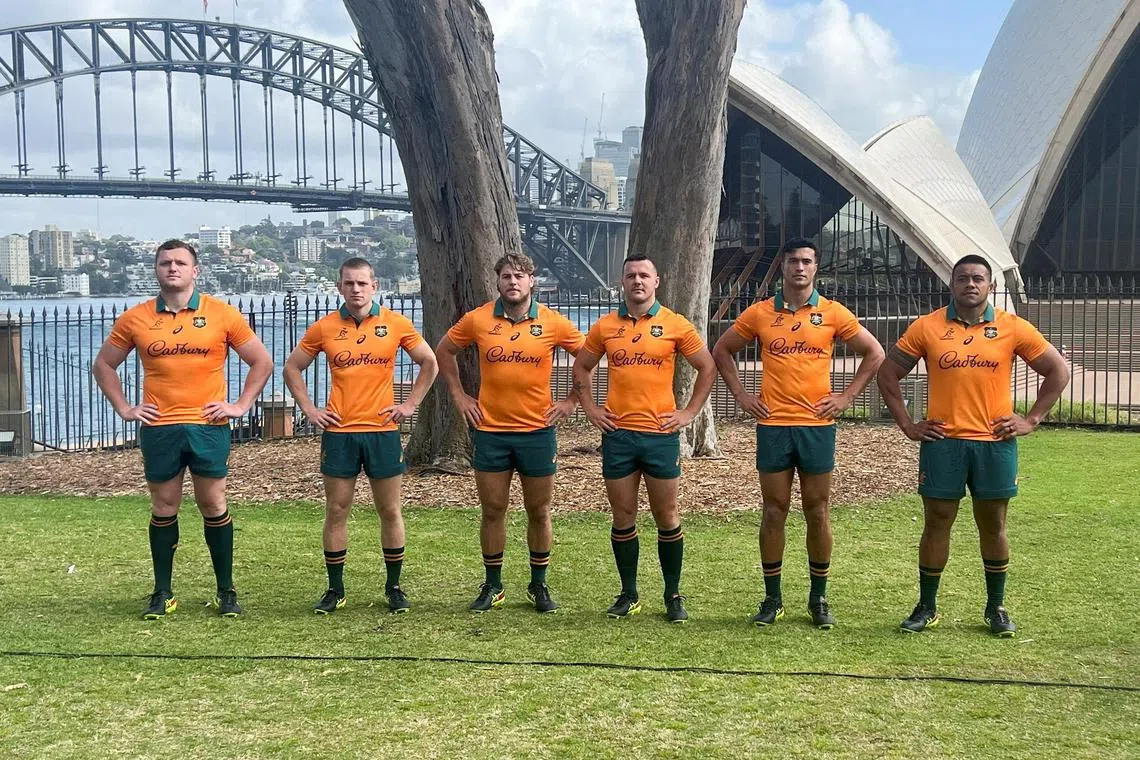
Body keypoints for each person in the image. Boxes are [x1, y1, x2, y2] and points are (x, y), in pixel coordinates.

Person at [876, 254, 1069, 637]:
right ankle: (927, 606)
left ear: (990, 286)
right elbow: (888, 373)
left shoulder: (1012, 328)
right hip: (944, 443)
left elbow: (1057, 370)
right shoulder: (927, 327)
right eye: (962, 278)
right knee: (936, 522)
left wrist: (1030, 419)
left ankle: (996, 607)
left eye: (978, 278)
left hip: (994, 443)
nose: (970, 284)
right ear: (952, 284)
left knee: (993, 524)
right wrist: (908, 425)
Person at [92, 239, 273, 619]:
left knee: (213, 503)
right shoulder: (136, 318)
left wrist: (240, 405)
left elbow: (261, 361)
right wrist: (124, 408)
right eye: (165, 263)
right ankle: (163, 592)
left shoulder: (222, 314)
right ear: (156, 270)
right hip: (161, 427)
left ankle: (226, 591)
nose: (172, 268)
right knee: (164, 506)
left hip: (208, 425)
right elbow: (104, 366)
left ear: (195, 270)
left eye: (180, 263)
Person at [712, 238, 884, 629]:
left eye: (806, 261)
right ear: (783, 267)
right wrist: (740, 394)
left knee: (817, 511)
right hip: (774, 426)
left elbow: (875, 353)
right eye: (793, 261)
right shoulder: (759, 314)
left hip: (816, 427)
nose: (800, 268)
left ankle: (818, 598)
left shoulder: (833, 312)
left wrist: (846, 397)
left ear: (815, 268)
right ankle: (772, 599)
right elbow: (722, 349)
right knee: (773, 510)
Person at [283, 257, 437, 615]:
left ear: (374, 286)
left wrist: (410, 404)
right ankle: (335, 589)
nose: (356, 289)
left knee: (389, 509)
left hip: (382, 431)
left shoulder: (394, 324)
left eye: (362, 283)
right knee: (336, 510)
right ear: (339, 287)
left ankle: (394, 587)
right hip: (340, 433)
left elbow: (430, 362)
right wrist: (310, 410)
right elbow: (292, 367)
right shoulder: (324, 327)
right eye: (349, 283)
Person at [571, 253, 717, 623]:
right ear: (622, 282)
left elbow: (707, 366)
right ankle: (629, 593)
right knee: (623, 516)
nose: (637, 281)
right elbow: (582, 366)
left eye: (644, 275)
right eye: (631, 275)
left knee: (667, 515)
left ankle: (673, 595)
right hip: (619, 436)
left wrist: (687, 413)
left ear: (657, 281)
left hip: (659, 436)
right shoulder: (605, 326)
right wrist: (590, 408)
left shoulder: (675, 324)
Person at [436, 253, 585, 613]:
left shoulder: (552, 322)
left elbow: (589, 355)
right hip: (491, 432)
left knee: (539, 510)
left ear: (532, 280)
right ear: (498, 282)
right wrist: (459, 395)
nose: (512, 282)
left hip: (537, 431)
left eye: (519, 276)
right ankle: (494, 585)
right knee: (493, 510)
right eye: (506, 276)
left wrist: (570, 401)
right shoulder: (479, 319)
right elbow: (444, 350)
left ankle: (539, 584)